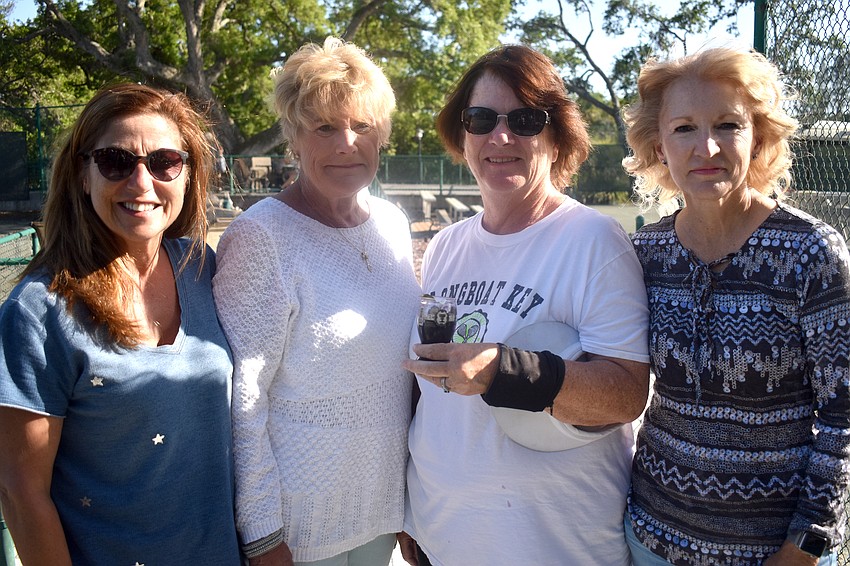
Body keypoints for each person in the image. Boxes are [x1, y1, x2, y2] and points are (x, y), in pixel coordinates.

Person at [398, 44, 651, 565]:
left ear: (557, 139)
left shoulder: (593, 240)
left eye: (526, 120)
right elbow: (434, 398)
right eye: (482, 118)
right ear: (462, 134)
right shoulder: (448, 245)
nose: (501, 135)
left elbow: (626, 394)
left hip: (550, 547)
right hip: (440, 536)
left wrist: (504, 372)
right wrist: (413, 512)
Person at [622, 47, 850, 565]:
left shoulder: (811, 252)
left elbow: (843, 416)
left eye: (728, 124)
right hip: (651, 540)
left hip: (776, 554)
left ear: (760, 138)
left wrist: (806, 546)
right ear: (659, 146)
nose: (706, 146)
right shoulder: (644, 253)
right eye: (683, 128)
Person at [0, 83, 241, 564]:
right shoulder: (39, 309)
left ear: (189, 174)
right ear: (82, 174)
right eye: (115, 161)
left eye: (164, 161)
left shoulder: (202, 268)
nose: (141, 182)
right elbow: (21, 493)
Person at [212, 37, 421, 566]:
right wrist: (262, 537)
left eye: (362, 126)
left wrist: (411, 505)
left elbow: (398, 379)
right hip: (296, 529)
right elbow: (244, 398)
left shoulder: (393, 225)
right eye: (324, 127)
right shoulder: (263, 237)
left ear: (383, 136)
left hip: (381, 513)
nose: (345, 143)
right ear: (295, 139)